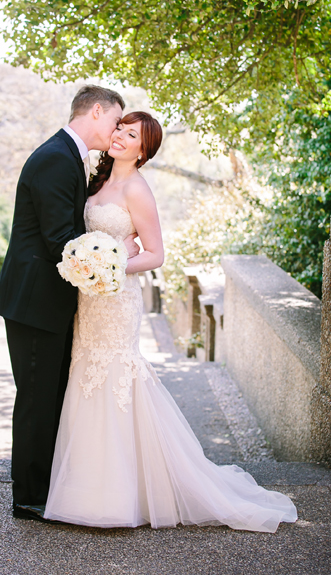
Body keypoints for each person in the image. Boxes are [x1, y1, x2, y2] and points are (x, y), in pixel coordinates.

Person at [43, 110, 297, 531]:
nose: (121, 136)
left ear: (145, 151)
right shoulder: (95, 179)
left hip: (116, 297)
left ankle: (120, 495)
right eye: (120, 128)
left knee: (115, 380)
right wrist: (85, 266)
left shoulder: (138, 190)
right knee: (85, 372)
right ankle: (83, 490)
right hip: (88, 300)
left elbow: (156, 254)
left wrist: (111, 266)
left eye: (132, 135)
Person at [0, 85, 131, 521]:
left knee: (50, 395)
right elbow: (59, 240)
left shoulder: (69, 156)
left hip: (48, 301)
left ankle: (45, 488)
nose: (114, 131)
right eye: (114, 121)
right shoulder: (56, 158)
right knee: (36, 398)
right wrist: (103, 265)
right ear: (95, 112)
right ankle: (29, 497)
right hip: (35, 301)